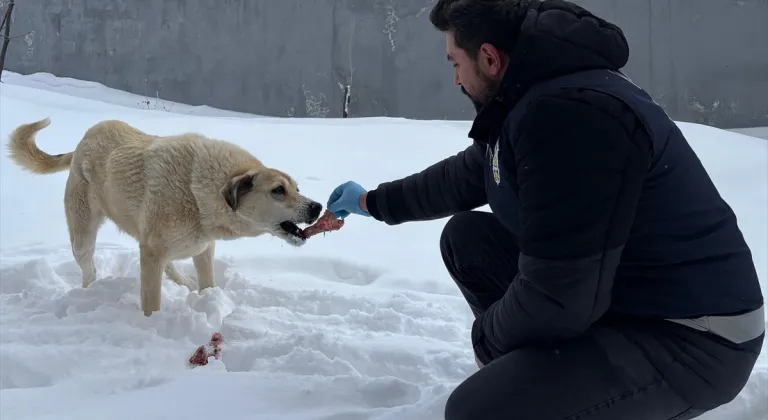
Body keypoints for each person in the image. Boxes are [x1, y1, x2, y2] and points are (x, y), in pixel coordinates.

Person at [326, 0, 765, 419]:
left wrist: (487, 341)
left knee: (478, 412)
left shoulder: (569, 117)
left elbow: (560, 296)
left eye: (455, 64)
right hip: (624, 296)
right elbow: (467, 176)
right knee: (467, 239)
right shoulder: (532, 93)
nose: (456, 79)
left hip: (694, 338)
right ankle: (549, 381)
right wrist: (370, 201)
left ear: (490, 58)